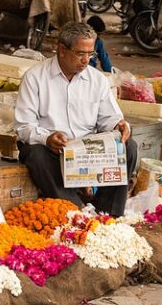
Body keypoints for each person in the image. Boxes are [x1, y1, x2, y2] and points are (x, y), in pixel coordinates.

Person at [14, 21, 136, 216]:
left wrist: (118, 124)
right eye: (80, 53)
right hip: (53, 150)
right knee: (34, 155)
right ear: (61, 50)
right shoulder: (35, 77)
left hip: (88, 150)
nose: (86, 60)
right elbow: (24, 127)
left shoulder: (97, 80)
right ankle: (75, 211)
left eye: (91, 54)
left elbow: (110, 117)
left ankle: (107, 212)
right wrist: (47, 138)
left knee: (128, 146)